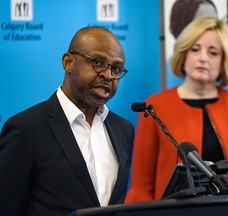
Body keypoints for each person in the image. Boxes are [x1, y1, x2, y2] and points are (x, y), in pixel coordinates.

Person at [125, 16, 228, 203]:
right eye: (195, 49)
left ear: (223, 61)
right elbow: (142, 187)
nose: (203, 58)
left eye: (213, 53)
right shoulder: (155, 106)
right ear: (184, 54)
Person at [0, 26, 134, 215]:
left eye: (116, 68)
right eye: (97, 62)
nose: (108, 75)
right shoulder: (26, 129)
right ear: (68, 62)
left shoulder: (124, 129)